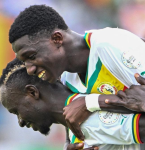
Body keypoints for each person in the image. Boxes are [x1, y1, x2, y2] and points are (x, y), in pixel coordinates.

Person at [9, 4, 145, 144]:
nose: (29, 69)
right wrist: (75, 143)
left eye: (31, 57)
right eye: (24, 62)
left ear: (57, 39)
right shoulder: (67, 79)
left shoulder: (112, 45)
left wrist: (90, 102)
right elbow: (112, 123)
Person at [0, 59, 145, 150]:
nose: (21, 122)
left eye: (16, 111)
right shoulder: (76, 119)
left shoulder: (87, 123)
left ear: (32, 92)